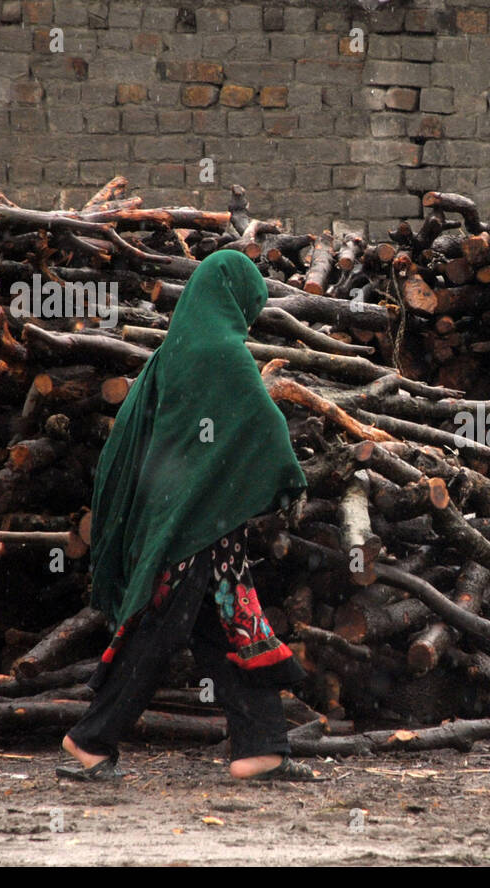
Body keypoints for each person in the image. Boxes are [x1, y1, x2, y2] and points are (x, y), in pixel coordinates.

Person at [58, 250, 315, 783]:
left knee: (234, 626)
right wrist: (288, 477)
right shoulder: (223, 352)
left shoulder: (174, 350)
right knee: (161, 629)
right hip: (193, 527)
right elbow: (262, 423)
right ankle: (90, 739)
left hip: (184, 519)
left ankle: (261, 748)